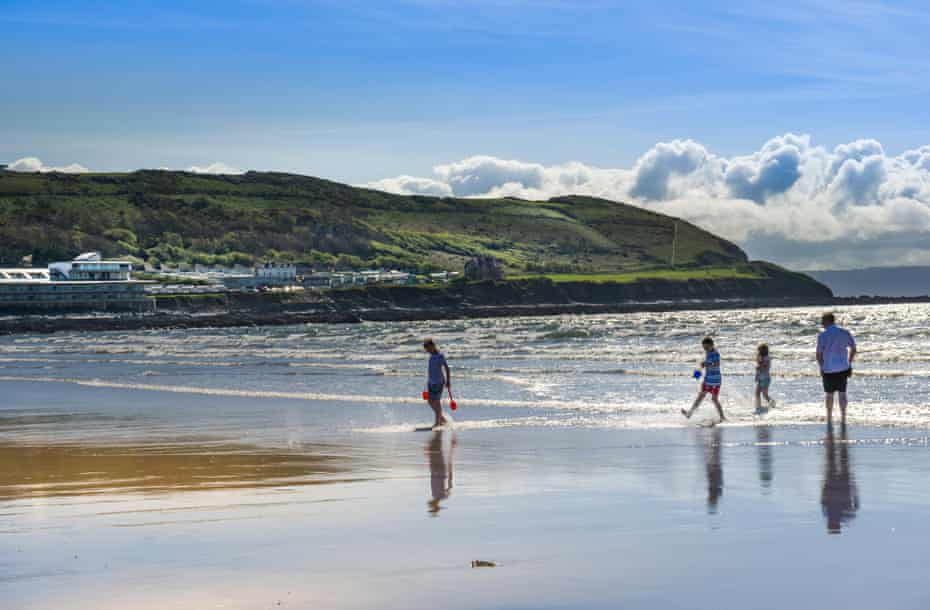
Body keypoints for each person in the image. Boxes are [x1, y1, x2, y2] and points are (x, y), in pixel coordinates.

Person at [816, 313, 856, 422]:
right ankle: (843, 416)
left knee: (829, 394)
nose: (821, 323)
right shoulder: (844, 332)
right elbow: (853, 349)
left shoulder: (822, 335)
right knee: (842, 393)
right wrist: (849, 362)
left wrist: (822, 366)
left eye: (823, 321)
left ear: (828, 321)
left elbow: (818, 354)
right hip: (843, 367)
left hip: (828, 368)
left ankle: (829, 417)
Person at [682, 336, 726, 421]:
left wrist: (706, 364)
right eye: (704, 348)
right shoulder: (707, 354)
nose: (705, 349)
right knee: (700, 397)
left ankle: (722, 417)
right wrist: (697, 373)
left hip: (715, 380)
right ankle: (690, 413)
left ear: (712, 345)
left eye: (707, 347)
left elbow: (716, 364)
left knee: (714, 399)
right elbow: (702, 366)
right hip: (708, 379)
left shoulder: (716, 353)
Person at [423, 338, 451, 429]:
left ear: (433, 346)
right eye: (426, 349)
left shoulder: (440, 356)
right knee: (430, 401)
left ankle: (437, 422)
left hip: (439, 382)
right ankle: (442, 419)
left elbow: (447, 368)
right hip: (431, 383)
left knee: (437, 402)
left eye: (427, 348)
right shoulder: (431, 357)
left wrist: (448, 381)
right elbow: (430, 371)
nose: (427, 351)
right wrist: (428, 382)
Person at [754, 343, 776, 410]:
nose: (758, 353)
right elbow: (759, 368)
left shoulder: (766, 358)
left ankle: (772, 403)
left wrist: (759, 366)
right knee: (757, 393)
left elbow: (764, 367)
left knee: (764, 394)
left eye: (759, 351)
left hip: (765, 378)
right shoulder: (763, 358)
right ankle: (758, 406)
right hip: (761, 378)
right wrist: (757, 377)